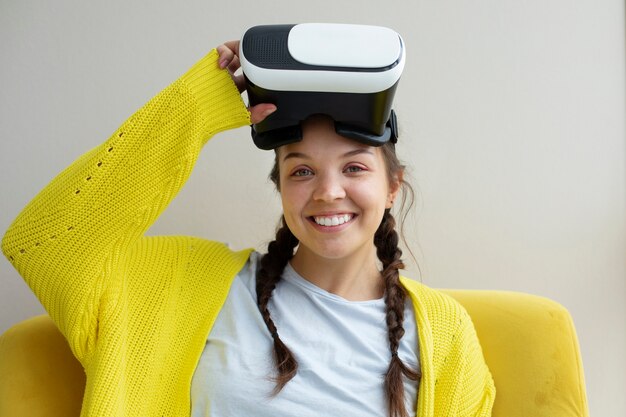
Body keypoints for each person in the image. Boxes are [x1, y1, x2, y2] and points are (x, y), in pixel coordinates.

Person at [1, 39, 495, 417]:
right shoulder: (187, 283)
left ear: (392, 187)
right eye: (301, 170)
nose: (327, 192)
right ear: (279, 185)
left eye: (354, 168)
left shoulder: (444, 332)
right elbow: (47, 241)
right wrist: (194, 109)